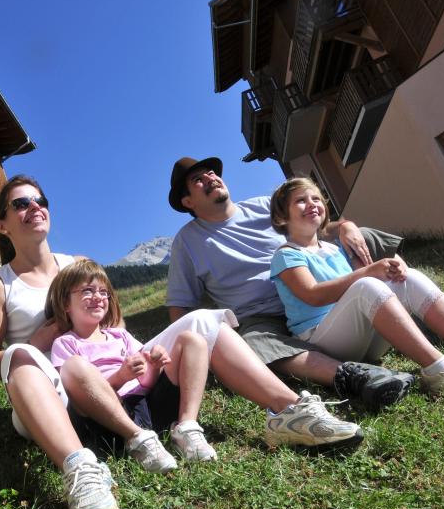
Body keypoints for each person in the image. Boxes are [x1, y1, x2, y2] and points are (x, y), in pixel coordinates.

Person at [0, 176, 368, 509]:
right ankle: (80, 471)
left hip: (111, 373)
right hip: (53, 394)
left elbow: (115, 328)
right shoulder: (0, 285)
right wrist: (41, 342)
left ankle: (287, 411)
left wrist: (141, 360)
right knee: (23, 361)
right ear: (2, 224)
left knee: (203, 322)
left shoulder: (78, 264)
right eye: (21, 203)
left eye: (40, 200)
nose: (35, 208)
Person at [166, 156, 418, 411]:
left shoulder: (263, 206)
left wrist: (345, 226)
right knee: (252, 343)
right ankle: (355, 375)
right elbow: (180, 306)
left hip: (310, 283)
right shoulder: (187, 243)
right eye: (198, 180)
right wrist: (190, 354)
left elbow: (313, 228)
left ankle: (412, 307)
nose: (210, 178)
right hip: (261, 315)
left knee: (361, 237)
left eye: (211, 173)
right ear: (188, 201)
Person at [267, 177, 444, 399]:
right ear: (281, 217)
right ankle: (441, 372)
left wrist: (390, 273)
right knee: (366, 285)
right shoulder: (286, 254)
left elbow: (356, 290)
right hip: (322, 340)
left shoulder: (332, 248)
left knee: (409, 278)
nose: (311, 204)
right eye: (300, 201)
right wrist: (368, 272)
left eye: (315, 198)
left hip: (363, 341)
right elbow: (313, 295)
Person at [48, 259, 216, 473]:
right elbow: (77, 394)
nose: (98, 297)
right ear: (65, 303)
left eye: (103, 291)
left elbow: (144, 383)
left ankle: (187, 427)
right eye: (88, 290)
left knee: (192, 340)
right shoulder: (66, 343)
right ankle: (137, 439)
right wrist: (120, 377)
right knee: (74, 367)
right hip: (110, 419)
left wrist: (154, 367)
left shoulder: (120, 336)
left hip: (147, 406)